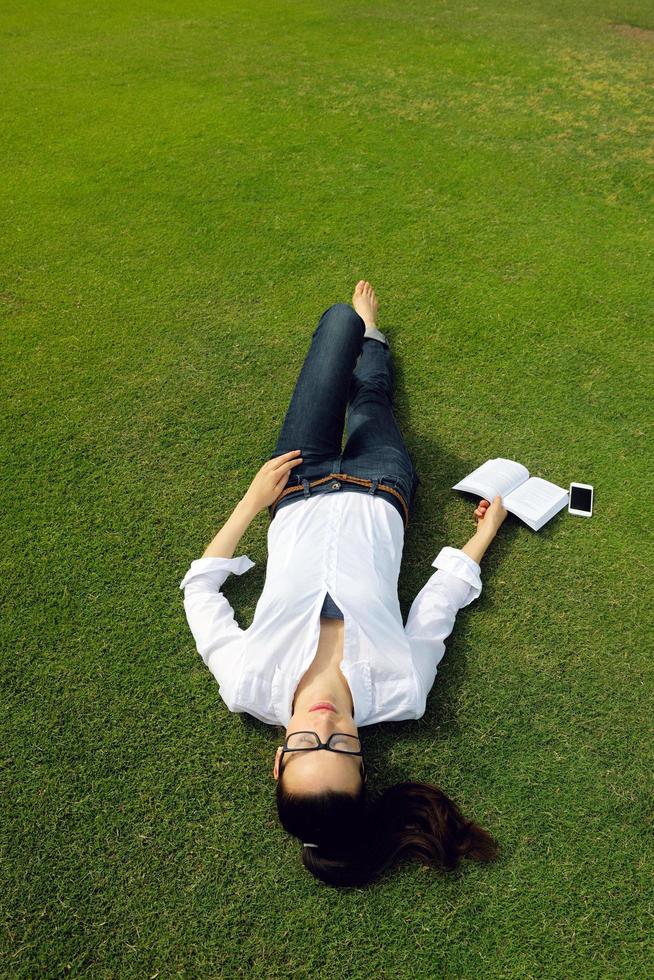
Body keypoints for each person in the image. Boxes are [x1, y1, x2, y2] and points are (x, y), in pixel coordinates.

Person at [179, 281, 508, 888]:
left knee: (335, 327)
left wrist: (252, 502)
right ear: (364, 767)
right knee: (371, 397)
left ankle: (355, 328)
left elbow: (200, 594)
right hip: (381, 487)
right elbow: (438, 605)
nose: (326, 727)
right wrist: (487, 534)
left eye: (307, 747)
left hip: (294, 485)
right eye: (342, 751)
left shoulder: (247, 683)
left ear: (280, 761)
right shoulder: (403, 690)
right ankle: (374, 334)